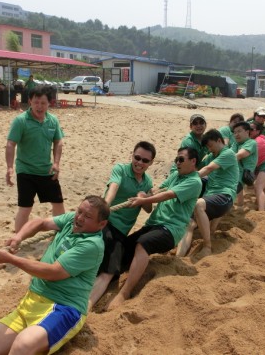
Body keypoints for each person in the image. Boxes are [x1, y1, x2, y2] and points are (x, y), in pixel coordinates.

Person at [0, 196, 109, 355]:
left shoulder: (92, 245)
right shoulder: (72, 220)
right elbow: (41, 223)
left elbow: (53, 272)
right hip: (32, 301)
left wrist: (11, 259)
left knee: (23, 345)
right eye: (79, 211)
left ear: (102, 224)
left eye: (88, 216)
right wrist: (19, 236)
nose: (80, 218)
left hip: (63, 307)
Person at [107, 147, 202, 310]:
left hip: (170, 229)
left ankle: (125, 293)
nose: (177, 163)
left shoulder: (194, 181)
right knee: (124, 248)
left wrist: (143, 201)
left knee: (143, 243)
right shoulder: (175, 176)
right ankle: (108, 280)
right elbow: (157, 190)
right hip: (153, 225)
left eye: (181, 159)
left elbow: (168, 195)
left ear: (193, 161)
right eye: (176, 159)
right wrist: (145, 194)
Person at [88, 141, 155, 310]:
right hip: (107, 223)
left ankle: (83, 307)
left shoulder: (148, 182)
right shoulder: (121, 169)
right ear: (132, 155)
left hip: (121, 234)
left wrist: (143, 198)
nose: (139, 163)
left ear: (151, 163)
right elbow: (114, 187)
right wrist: (105, 207)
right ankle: (83, 305)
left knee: (110, 272)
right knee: (104, 269)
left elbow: (148, 209)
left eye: (145, 160)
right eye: (137, 157)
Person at [6, 85, 65, 233]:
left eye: (43, 103)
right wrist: (10, 167)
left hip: (47, 170)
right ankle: (18, 238)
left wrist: (56, 163)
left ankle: (60, 235)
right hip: (25, 170)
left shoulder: (53, 120)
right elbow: (11, 144)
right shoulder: (21, 121)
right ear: (30, 102)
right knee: (25, 207)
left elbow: (58, 142)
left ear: (49, 103)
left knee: (58, 203)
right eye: (36, 102)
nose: (39, 106)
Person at [177, 129, 239, 258]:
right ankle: (178, 257)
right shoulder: (211, 156)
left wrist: (187, 181)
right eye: (207, 147)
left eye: (210, 146)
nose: (209, 149)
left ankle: (207, 246)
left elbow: (208, 168)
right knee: (189, 223)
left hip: (225, 196)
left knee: (198, 204)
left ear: (219, 140)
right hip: (210, 195)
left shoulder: (228, 153)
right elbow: (196, 168)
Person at [232, 121, 258, 207]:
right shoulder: (236, 143)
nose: (236, 134)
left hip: (243, 174)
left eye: (239, 131)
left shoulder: (251, 143)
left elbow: (240, 155)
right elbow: (229, 153)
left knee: (235, 187)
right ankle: (240, 205)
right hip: (235, 172)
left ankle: (239, 206)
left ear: (247, 132)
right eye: (235, 132)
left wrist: (221, 162)